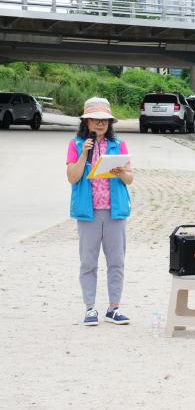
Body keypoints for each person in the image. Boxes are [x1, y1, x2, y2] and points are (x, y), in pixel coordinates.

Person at [66, 97, 134, 326]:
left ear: (109, 123)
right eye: (95, 120)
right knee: (88, 262)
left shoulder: (119, 144)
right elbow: (72, 177)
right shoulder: (75, 144)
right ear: (86, 122)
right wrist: (84, 154)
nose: (99, 124)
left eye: (104, 120)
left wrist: (119, 172)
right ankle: (90, 308)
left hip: (115, 212)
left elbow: (130, 178)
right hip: (88, 212)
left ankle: (114, 308)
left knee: (116, 261)